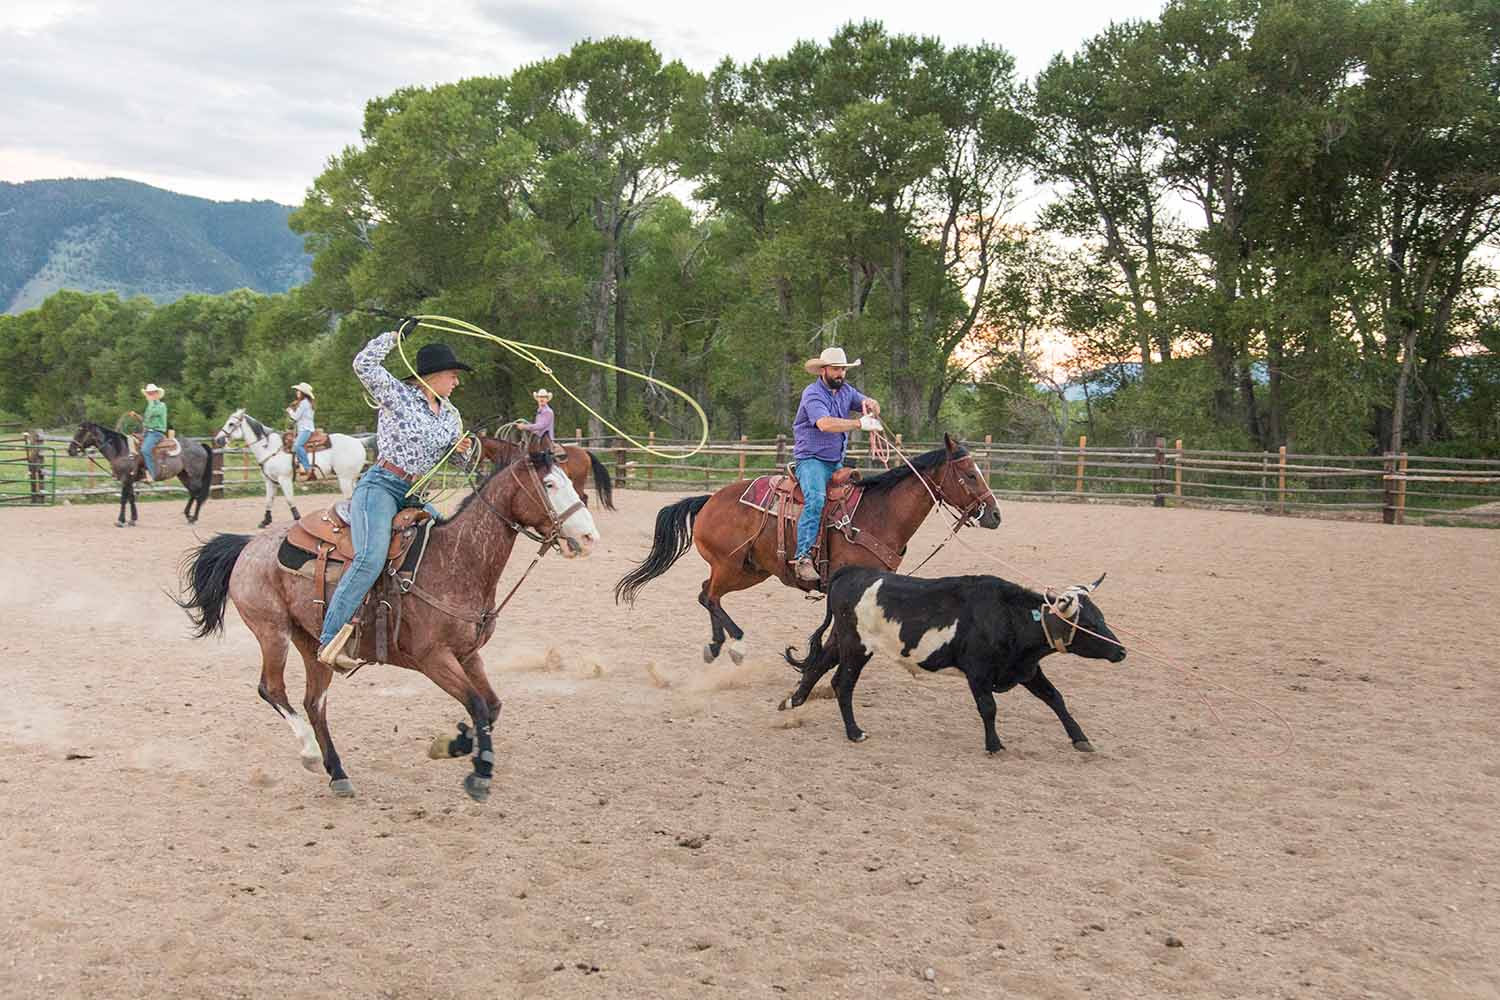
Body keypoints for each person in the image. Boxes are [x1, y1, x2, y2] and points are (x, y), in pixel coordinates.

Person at [317, 322, 474, 671]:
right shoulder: (398, 395)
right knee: (370, 558)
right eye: (452, 375)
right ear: (432, 376)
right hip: (382, 485)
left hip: (415, 493)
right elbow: (364, 365)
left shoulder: (450, 415)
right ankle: (329, 640)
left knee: (449, 539)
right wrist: (394, 337)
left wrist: (462, 449)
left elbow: (458, 460)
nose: (456, 382)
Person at [789, 347, 882, 583]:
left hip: (834, 461)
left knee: (857, 498)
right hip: (811, 459)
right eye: (836, 369)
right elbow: (824, 424)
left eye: (843, 369)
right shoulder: (812, 394)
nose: (840, 373)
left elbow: (862, 400)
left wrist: (871, 403)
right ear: (823, 370)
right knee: (816, 500)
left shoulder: (845, 391)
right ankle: (803, 557)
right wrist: (859, 424)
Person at [128, 383, 169, 482]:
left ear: (156, 394)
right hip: (147, 433)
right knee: (130, 438)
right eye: (148, 393)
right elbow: (145, 421)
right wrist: (136, 416)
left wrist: (150, 402)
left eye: (151, 393)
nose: (149, 395)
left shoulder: (161, 406)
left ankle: (152, 474)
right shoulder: (150, 406)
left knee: (146, 450)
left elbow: (151, 414)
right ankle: (136, 467)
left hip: (156, 433)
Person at [512, 388, 559, 453]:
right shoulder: (540, 410)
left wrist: (524, 427)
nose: (541, 399)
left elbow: (540, 426)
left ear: (547, 399)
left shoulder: (548, 411)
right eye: (540, 397)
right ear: (537, 399)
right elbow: (537, 426)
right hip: (538, 440)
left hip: (545, 441)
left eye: (544, 397)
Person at [287, 382, 317, 479]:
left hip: (306, 429)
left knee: (297, 445)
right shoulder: (306, 403)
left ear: (303, 393)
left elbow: (295, 417)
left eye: (298, 391)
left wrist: (290, 411)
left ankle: (307, 468)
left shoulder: (304, 403)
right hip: (304, 429)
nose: (297, 392)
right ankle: (300, 466)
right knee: (295, 445)